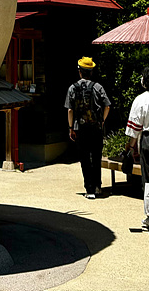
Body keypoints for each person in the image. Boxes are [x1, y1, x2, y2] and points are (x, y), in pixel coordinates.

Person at [64, 56, 110, 200]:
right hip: (96, 127)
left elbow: (70, 110)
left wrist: (71, 127)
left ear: (80, 71)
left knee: (84, 158)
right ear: (91, 72)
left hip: (80, 128)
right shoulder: (98, 87)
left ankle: (89, 189)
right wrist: (102, 120)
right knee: (96, 157)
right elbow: (107, 106)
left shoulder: (73, 88)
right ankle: (97, 187)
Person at [124, 66, 149, 232]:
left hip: (148, 139)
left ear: (145, 81)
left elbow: (134, 128)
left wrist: (130, 147)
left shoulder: (140, 100)